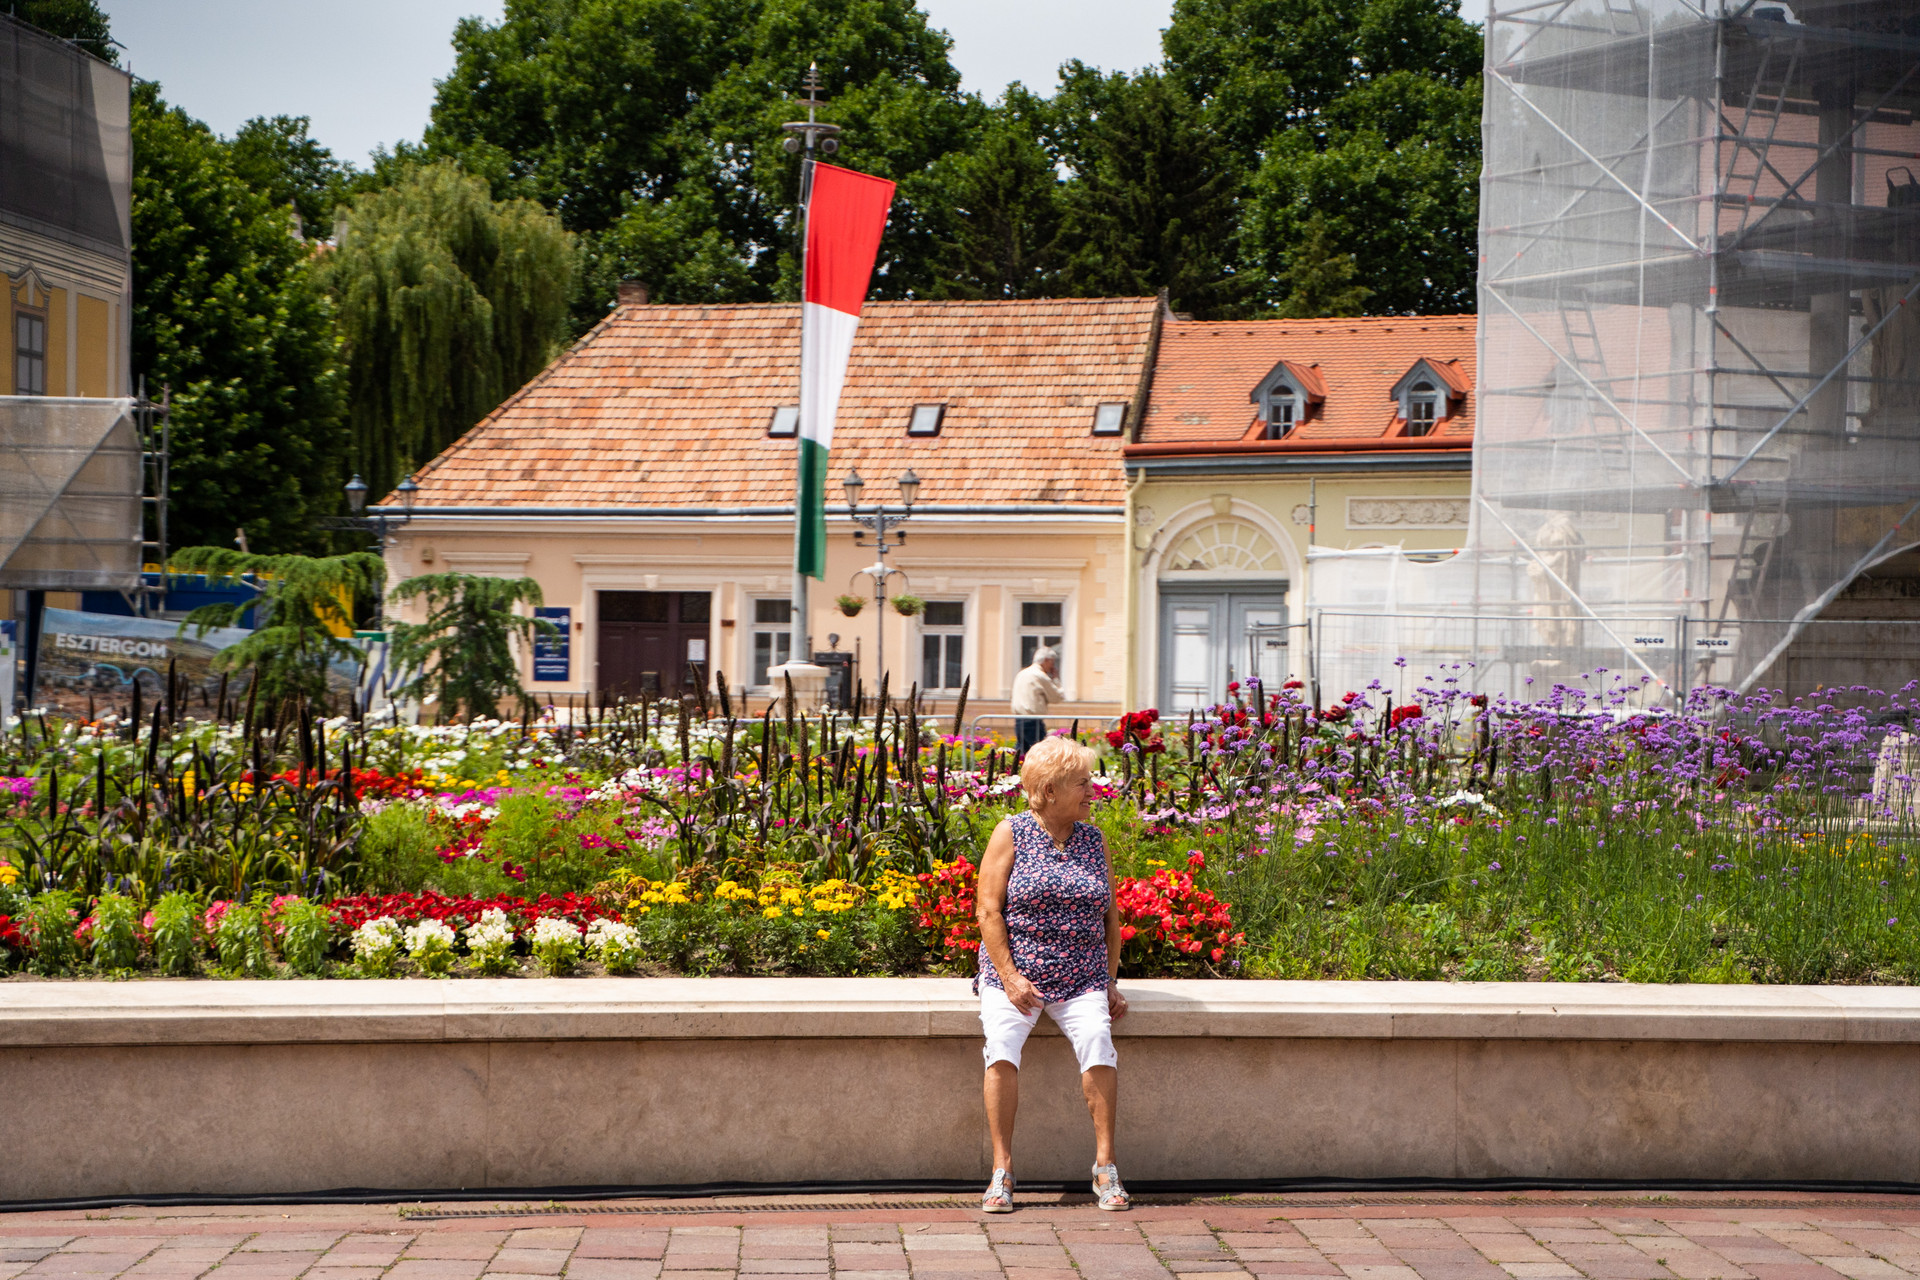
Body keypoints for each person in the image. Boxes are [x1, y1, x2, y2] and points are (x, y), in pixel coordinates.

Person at [973, 735, 1129, 1214]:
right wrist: (1011, 976)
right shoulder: (1012, 832)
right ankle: (1002, 1171)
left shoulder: (1093, 838)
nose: (1092, 790)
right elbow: (988, 910)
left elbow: (1110, 916)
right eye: (1082, 782)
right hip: (1014, 975)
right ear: (1048, 790)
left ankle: (1105, 1168)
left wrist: (1108, 981)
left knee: (1099, 1042)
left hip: (1081, 976)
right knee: (1001, 1045)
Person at [1010, 645, 1065, 758]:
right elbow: (1057, 697)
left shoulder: (1022, 673)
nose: (1052, 666)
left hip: (1019, 720)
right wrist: (1055, 679)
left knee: (1022, 755)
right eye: (1052, 662)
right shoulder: (1040, 675)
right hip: (1033, 721)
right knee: (1039, 756)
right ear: (1046, 660)